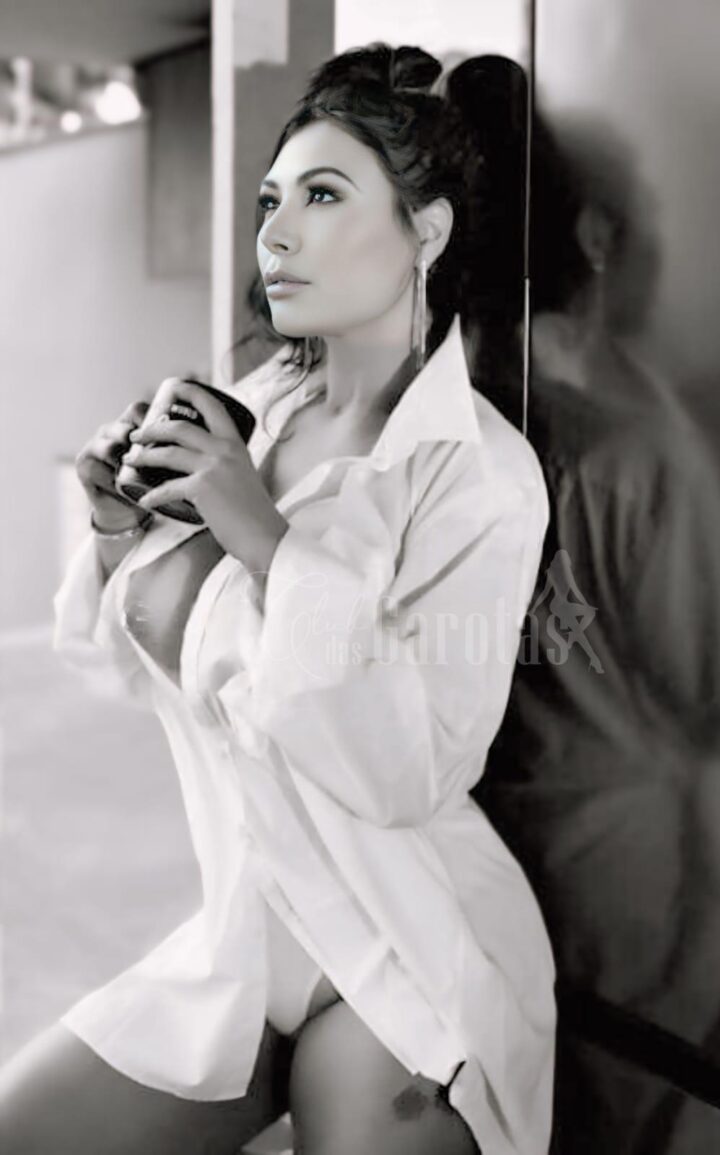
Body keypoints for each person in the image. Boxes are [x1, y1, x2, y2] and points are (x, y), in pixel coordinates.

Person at [0, 44, 556, 1155]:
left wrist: (261, 533)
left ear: (427, 231)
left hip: (402, 946)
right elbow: (120, 665)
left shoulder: (478, 473)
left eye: (323, 195)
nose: (277, 233)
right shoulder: (253, 413)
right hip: (248, 937)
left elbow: (407, 773)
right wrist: (116, 530)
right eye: (269, 201)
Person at [475, 114, 720, 1153]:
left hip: (568, 900)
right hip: (586, 905)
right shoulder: (625, 464)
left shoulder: (609, 459)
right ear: (590, 237)